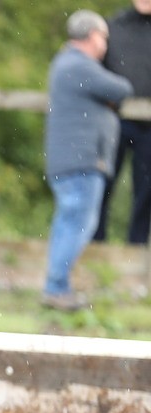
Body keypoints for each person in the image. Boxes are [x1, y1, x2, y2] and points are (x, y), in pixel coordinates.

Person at [43, 10, 133, 311]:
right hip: (80, 162)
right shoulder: (78, 65)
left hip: (74, 161)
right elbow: (122, 89)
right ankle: (57, 288)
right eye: (104, 37)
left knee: (69, 223)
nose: (106, 44)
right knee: (77, 224)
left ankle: (56, 286)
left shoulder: (68, 64)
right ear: (93, 36)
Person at [94, 0, 151, 246]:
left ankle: (137, 249)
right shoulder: (113, 26)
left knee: (145, 192)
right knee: (102, 183)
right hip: (113, 120)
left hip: (149, 127)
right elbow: (95, 69)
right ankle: (96, 245)